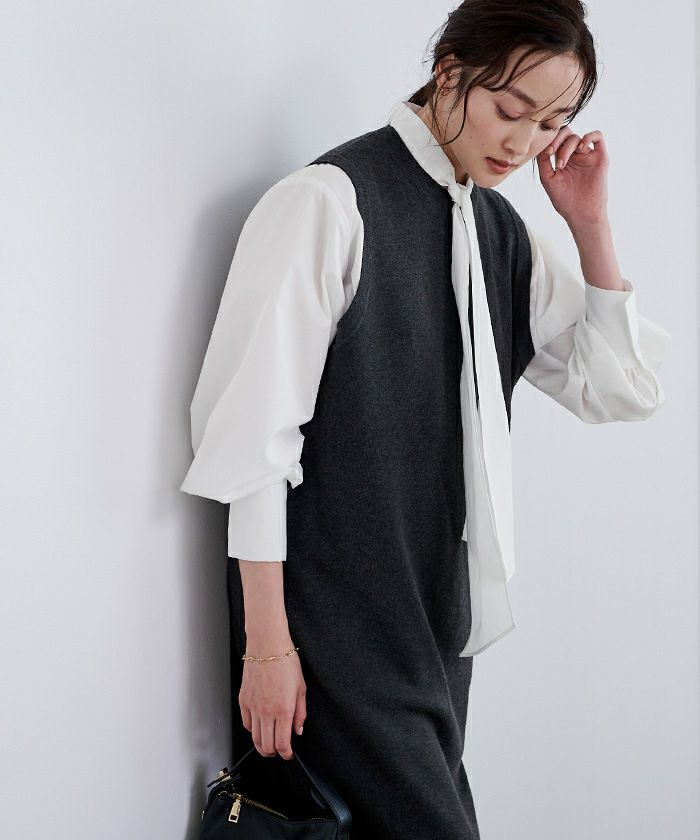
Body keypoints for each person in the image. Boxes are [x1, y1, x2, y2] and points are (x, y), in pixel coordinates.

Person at [180, 1, 670, 836]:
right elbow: (252, 441)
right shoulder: (329, 203)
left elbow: (618, 388)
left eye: (551, 123)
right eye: (510, 109)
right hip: (334, 629)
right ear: (449, 72)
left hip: (436, 631)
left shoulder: (497, 230)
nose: (523, 143)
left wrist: (590, 225)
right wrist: (267, 645)